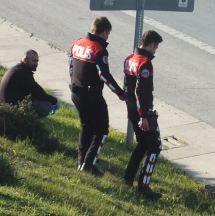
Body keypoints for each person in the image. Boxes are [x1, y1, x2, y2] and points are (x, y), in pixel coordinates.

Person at [69, 16, 127, 176]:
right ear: (104, 32)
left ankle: (82, 162)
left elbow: (71, 66)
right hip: (91, 95)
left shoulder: (77, 43)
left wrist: (72, 84)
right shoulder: (99, 50)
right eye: (108, 34)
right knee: (101, 130)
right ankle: (89, 164)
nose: (108, 37)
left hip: (76, 91)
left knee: (86, 127)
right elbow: (103, 75)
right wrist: (120, 93)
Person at [122, 30, 164, 200]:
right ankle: (144, 186)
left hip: (133, 110)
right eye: (156, 48)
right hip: (143, 113)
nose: (155, 51)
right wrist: (144, 117)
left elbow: (127, 88)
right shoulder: (145, 63)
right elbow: (140, 91)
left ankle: (128, 178)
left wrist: (131, 111)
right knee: (155, 147)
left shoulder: (129, 59)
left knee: (142, 145)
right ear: (152, 44)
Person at [0, 50, 59, 118]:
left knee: (43, 100)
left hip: (7, 106)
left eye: (37, 61)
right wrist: (54, 101)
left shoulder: (21, 69)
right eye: (33, 61)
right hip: (11, 110)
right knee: (45, 106)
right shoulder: (22, 73)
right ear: (25, 60)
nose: (36, 64)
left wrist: (49, 97)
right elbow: (36, 93)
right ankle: (29, 123)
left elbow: (35, 86)